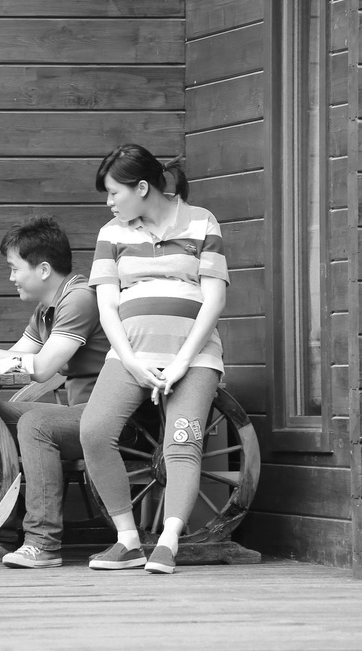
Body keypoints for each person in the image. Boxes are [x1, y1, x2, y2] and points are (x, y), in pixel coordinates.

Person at [79, 144, 228, 575]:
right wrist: (129, 361)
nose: (109, 203)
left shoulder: (201, 221)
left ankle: (168, 540)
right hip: (131, 355)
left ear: (142, 187)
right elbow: (108, 306)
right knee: (94, 431)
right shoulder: (111, 233)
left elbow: (214, 299)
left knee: (182, 442)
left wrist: (182, 361)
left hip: (194, 358)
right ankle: (128, 541)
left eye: (113, 193)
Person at [0, 217, 109, 569]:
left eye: (14, 268)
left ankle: (43, 542)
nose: (11, 278)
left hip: (107, 415)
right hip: (79, 412)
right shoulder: (46, 309)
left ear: (43, 269)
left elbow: (41, 367)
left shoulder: (80, 299)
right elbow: (13, 361)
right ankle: (2, 527)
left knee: (36, 423)